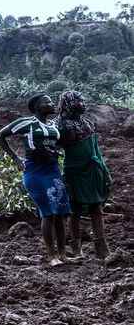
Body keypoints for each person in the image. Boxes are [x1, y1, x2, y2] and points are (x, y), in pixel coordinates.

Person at [0, 93, 71, 267]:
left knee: (60, 213)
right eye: (47, 102)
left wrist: (55, 152)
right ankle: (51, 256)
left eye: (52, 101)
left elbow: (55, 145)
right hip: (35, 172)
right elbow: (0, 136)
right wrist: (16, 158)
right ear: (37, 107)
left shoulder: (53, 125)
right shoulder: (27, 122)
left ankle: (63, 254)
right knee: (47, 213)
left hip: (53, 171)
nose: (52, 104)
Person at [55, 90, 112, 259]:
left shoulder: (86, 122)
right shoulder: (59, 125)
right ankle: (76, 248)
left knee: (96, 207)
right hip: (75, 171)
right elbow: (51, 147)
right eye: (79, 101)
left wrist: (105, 170)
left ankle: (102, 248)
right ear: (69, 104)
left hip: (94, 169)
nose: (83, 104)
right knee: (75, 210)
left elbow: (96, 149)